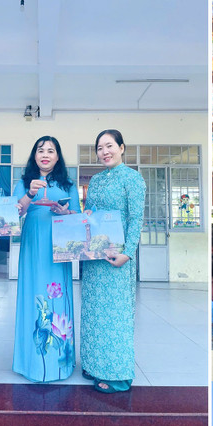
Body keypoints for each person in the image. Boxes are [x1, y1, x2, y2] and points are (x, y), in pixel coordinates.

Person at [80, 129, 145, 393]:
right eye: (99, 148)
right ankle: (94, 365)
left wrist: (128, 253)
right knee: (93, 313)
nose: (104, 152)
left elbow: (136, 218)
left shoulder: (133, 178)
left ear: (121, 147)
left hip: (118, 258)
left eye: (109, 146)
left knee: (115, 316)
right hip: (95, 257)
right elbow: (92, 215)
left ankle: (116, 374)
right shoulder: (95, 180)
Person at [12, 136, 80, 383]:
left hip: (59, 241)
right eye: (41, 150)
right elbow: (15, 211)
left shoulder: (68, 183)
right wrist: (30, 194)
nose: (46, 154)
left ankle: (59, 363)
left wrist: (66, 212)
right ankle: (30, 361)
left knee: (57, 294)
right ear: (34, 155)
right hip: (33, 240)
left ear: (58, 156)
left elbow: (78, 215)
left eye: (51, 151)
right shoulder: (24, 182)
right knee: (33, 292)